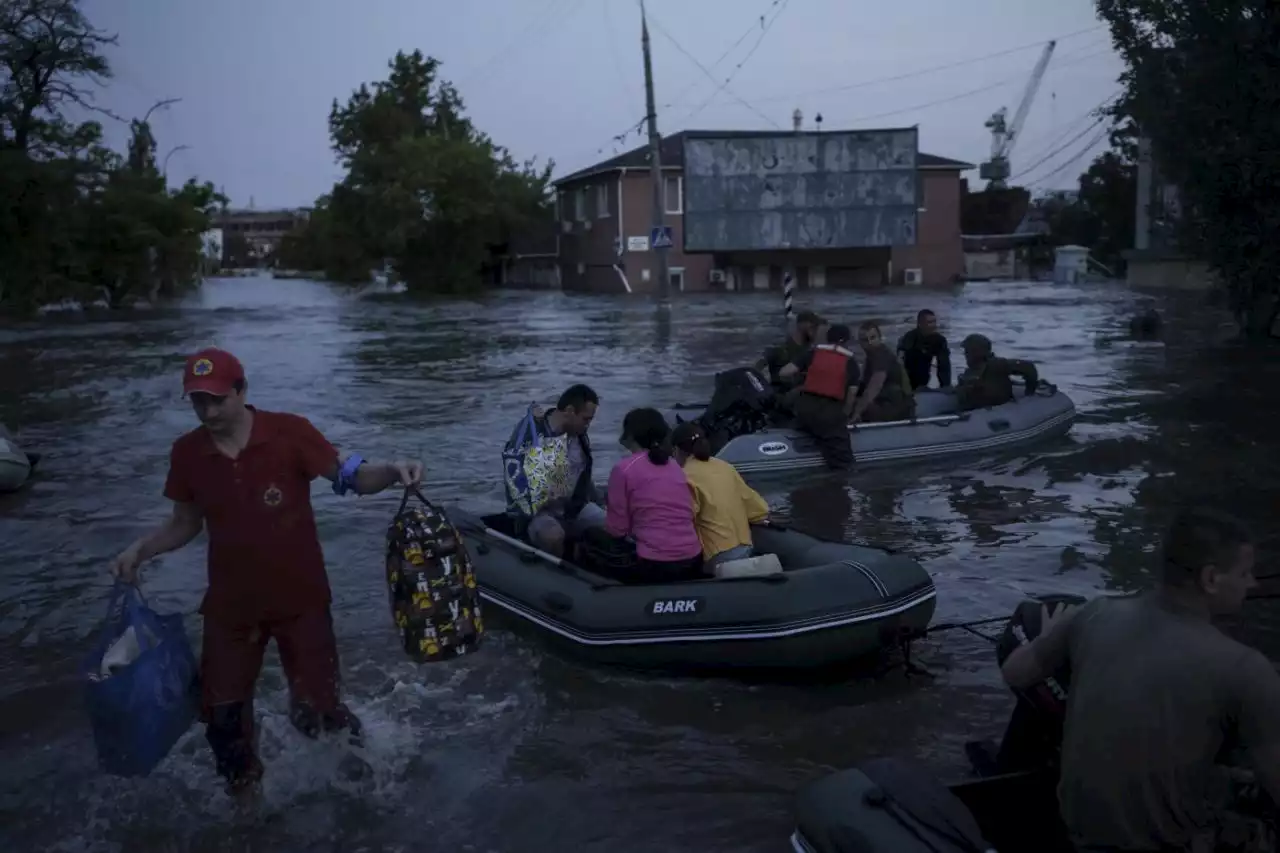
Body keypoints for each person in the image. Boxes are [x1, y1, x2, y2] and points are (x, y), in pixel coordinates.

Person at [108, 347, 423, 803]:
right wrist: (141, 549)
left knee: (320, 712)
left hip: (302, 600)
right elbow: (185, 523)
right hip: (231, 611)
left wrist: (394, 471)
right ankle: (248, 808)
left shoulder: (289, 433)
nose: (209, 411)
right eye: (199, 402)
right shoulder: (188, 453)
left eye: (218, 399)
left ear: (242, 391)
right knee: (222, 718)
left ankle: (369, 778)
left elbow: (350, 477)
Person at [1001, 507, 1280, 853]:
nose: (1252, 583)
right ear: (1211, 579)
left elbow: (1014, 672)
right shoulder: (1245, 667)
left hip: (1081, 838)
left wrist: (1052, 634)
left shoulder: (1094, 614)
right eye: (1245, 572)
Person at [502, 383, 605, 557]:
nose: (588, 425)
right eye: (586, 419)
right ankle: (562, 572)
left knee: (613, 525)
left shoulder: (578, 436)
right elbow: (515, 486)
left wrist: (600, 503)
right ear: (570, 411)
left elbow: (582, 476)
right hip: (538, 513)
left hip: (574, 507)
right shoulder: (530, 435)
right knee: (553, 536)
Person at [605, 408, 704, 582]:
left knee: (590, 538)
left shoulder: (623, 469)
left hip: (655, 563)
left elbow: (617, 529)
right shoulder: (675, 467)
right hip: (693, 558)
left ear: (630, 435)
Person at [671, 421, 769, 569]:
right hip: (745, 547)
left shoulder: (684, 476)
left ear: (676, 450)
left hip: (716, 556)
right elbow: (759, 510)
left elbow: (682, 522)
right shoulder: (725, 467)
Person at [779, 324, 861, 470]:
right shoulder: (851, 362)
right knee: (845, 465)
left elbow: (784, 372)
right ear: (846, 341)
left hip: (805, 409)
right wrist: (845, 415)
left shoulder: (812, 353)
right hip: (828, 415)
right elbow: (852, 394)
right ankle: (838, 487)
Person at [850, 321, 915, 423]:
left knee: (859, 405)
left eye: (873, 338)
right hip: (887, 403)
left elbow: (874, 388)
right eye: (865, 340)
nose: (870, 343)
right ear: (860, 342)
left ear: (880, 338)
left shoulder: (881, 356)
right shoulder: (870, 358)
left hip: (897, 407)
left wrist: (856, 412)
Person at [954, 333, 1039, 410]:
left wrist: (1029, 393)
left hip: (998, 408)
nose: (965, 355)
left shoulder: (997, 365)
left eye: (967, 352)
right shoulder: (971, 371)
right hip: (976, 411)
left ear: (977, 352)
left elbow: (1029, 368)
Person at [755, 309, 824, 386]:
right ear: (801, 325)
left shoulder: (812, 351)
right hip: (781, 392)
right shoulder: (780, 348)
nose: (816, 331)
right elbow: (756, 369)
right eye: (813, 327)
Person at [897, 309, 952, 390]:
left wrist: (945, 387)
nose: (934, 325)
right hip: (908, 375)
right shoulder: (909, 338)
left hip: (924, 378)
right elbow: (900, 363)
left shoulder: (939, 340)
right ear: (920, 324)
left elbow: (944, 367)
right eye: (929, 322)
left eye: (934, 322)